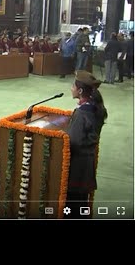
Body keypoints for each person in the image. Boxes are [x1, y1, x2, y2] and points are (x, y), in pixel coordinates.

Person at [65, 70, 107, 218]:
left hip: (77, 166)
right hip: (87, 163)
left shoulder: (82, 114)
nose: (71, 88)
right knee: (81, 204)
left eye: (73, 86)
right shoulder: (96, 108)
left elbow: (73, 141)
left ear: (80, 90)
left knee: (72, 207)